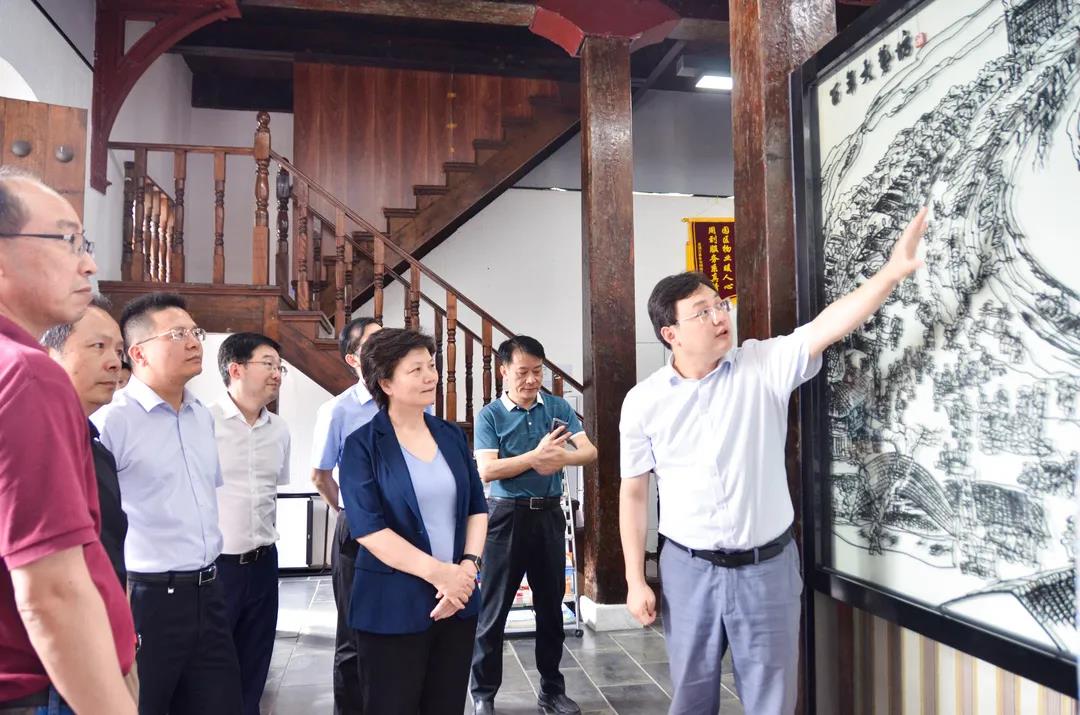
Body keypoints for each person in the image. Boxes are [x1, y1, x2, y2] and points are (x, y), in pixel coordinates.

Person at [618, 209, 930, 715]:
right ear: (670, 333)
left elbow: (827, 325)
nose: (720, 317)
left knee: (772, 702)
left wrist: (891, 273)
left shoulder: (761, 365)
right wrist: (635, 579)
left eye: (720, 305)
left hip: (767, 569)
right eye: (702, 311)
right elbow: (633, 493)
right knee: (691, 698)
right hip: (688, 569)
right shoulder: (643, 402)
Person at [0, 167, 136, 714]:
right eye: (67, 241)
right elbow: (52, 590)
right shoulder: (28, 373)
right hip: (37, 685)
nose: (89, 264)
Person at [92, 291, 242, 715]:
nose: (194, 342)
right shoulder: (113, 420)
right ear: (138, 353)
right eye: (177, 334)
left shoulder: (201, 416)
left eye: (195, 333)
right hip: (148, 599)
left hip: (209, 592)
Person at [339, 328, 488, 715]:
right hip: (392, 605)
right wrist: (442, 575)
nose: (430, 376)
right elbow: (369, 530)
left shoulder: (451, 435)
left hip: (457, 602)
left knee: (446, 705)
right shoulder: (361, 445)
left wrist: (467, 568)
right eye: (416, 369)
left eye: (432, 366)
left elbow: (477, 507)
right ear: (386, 382)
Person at [470, 336, 598, 715]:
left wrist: (561, 459)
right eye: (523, 372)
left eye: (537, 372)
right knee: (493, 612)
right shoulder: (490, 415)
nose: (531, 380)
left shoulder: (556, 407)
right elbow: (487, 470)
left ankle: (552, 691)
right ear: (504, 371)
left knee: (550, 609)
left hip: (548, 517)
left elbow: (589, 450)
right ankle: (483, 695)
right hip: (505, 517)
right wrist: (535, 457)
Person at [210, 332, 292, 715]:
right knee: (212, 669)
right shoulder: (203, 422)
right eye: (268, 364)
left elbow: (272, 491)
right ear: (236, 369)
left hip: (263, 562)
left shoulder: (279, 429)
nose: (277, 374)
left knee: (255, 665)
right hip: (216, 567)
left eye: (280, 367)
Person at [309, 316, 382, 714]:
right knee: (353, 635)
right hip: (358, 531)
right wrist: (348, 510)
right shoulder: (338, 410)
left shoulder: (408, 402)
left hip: (407, 531)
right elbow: (320, 476)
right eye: (374, 342)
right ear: (353, 359)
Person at [41, 294, 129, 588]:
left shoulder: (98, 450)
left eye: (118, 351)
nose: (115, 363)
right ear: (49, 353)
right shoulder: (27, 444)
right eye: (98, 346)